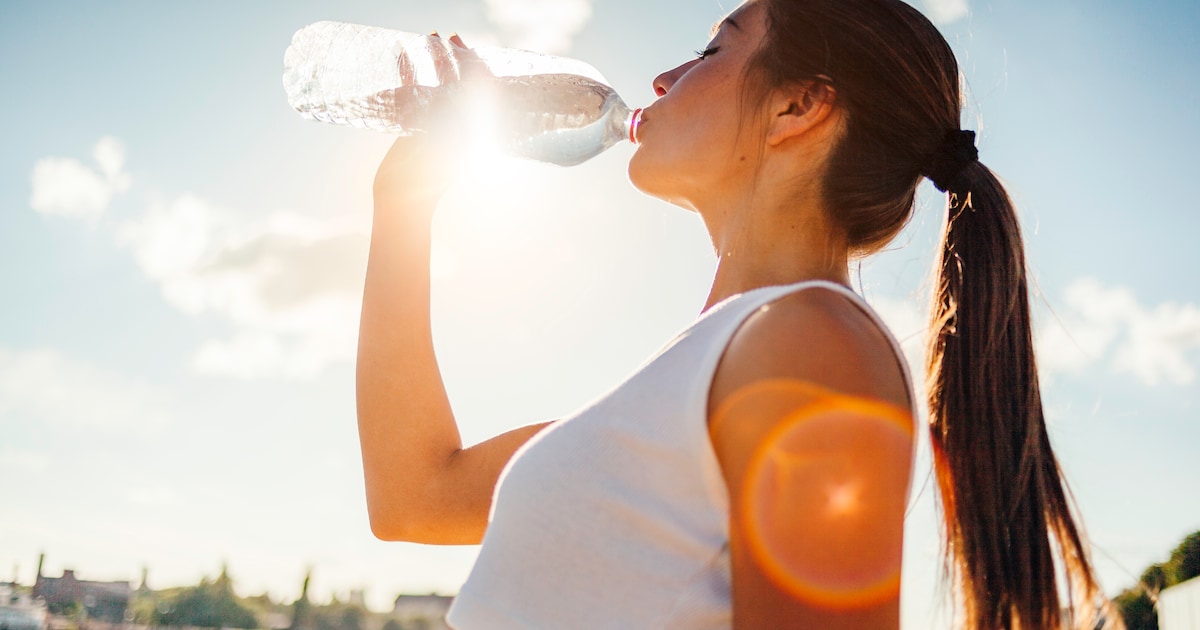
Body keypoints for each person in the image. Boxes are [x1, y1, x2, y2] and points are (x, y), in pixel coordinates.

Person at [356, 0, 1111, 627]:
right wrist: (403, 205)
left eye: (711, 50)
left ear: (798, 106)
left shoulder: (813, 344)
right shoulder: (714, 365)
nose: (663, 77)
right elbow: (416, 497)